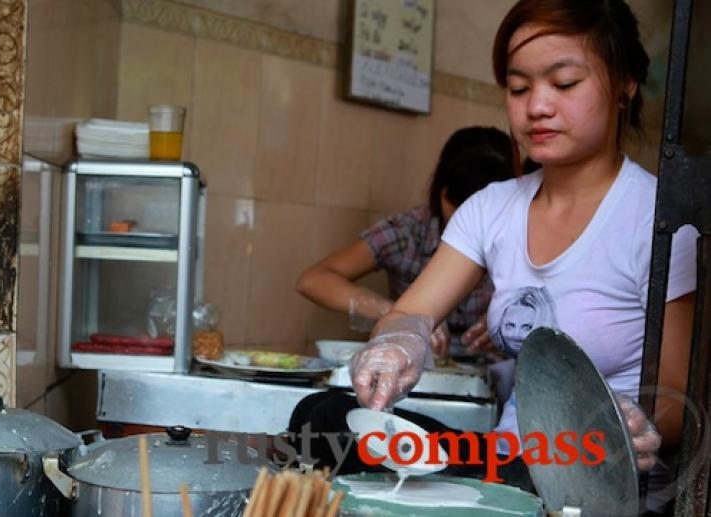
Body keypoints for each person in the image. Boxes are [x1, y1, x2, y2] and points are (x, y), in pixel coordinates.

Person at [290, 0, 697, 494]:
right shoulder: (493, 208)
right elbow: (411, 312)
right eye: (518, 87)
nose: (536, 106)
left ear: (625, 84)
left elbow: (677, 403)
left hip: (590, 473)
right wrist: (398, 342)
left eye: (564, 84)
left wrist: (629, 422)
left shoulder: (657, 220)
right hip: (504, 462)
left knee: (533, 477)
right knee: (323, 417)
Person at [296, 126, 516, 356]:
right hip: (416, 374)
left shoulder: (523, 234)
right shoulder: (408, 232)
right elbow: (312, 280)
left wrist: (509, 323)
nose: (464, 218)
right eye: (456, 203)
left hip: (497, 377)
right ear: (440, 189)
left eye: (479, 210)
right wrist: (398, 316)